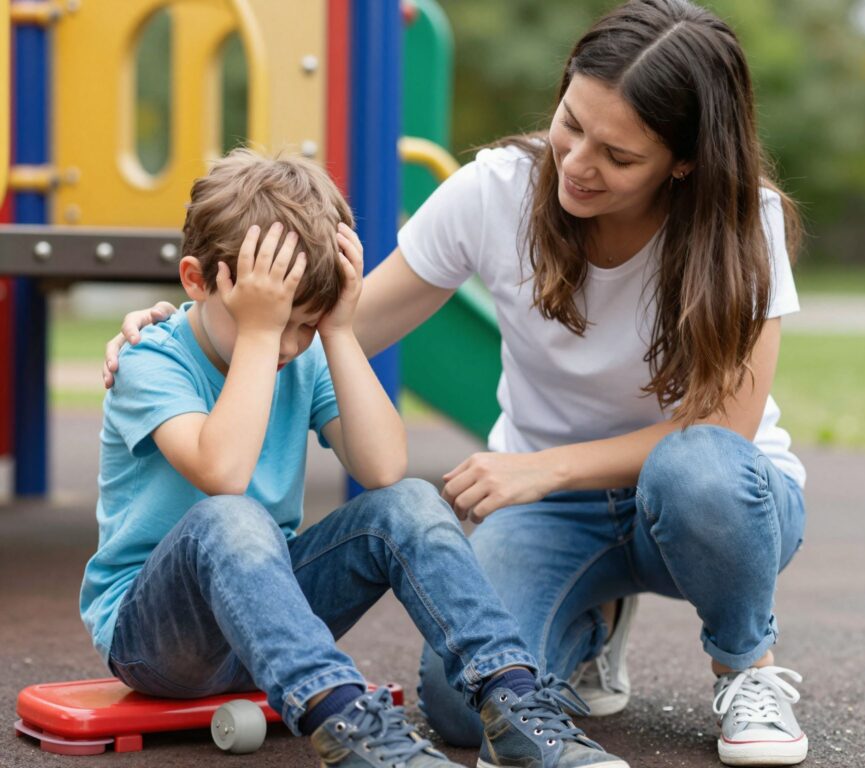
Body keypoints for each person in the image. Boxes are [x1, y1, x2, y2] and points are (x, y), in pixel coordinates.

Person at [106, 1, 810, 764]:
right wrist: (192, 317)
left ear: (684, 161)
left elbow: (724, 432)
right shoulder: (498, 190)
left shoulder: (745, 223)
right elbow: (327, 323)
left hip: (710, 499)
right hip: (552, 514)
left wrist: (543, 466)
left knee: (697, 468)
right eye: (571, 123)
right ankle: (584, 623)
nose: (576, 163)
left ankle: (746, 667)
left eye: (618, 155)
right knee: (458, 711)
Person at [84, 149, 628, 768]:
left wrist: (338, 333)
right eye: (277, 324)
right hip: (160, 641)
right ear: (197, 280)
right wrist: (261, 333)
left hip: (273, 615)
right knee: (231, 516)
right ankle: (347, 727)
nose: (291, 344)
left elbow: (382, 469)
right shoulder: (149, 361)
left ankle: (515, 703)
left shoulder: (306, 350)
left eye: (306, 325)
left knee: (411, 502)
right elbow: (223, 474)